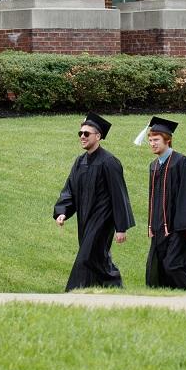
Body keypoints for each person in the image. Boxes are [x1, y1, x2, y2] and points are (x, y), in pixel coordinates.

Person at [53, 111, 135, 291]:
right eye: (80, 133)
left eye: (86, 134)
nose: (82, 136)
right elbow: (70, 189)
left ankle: (73, 293)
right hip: (85, 219)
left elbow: (119, 195)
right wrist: (63, 212)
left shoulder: (109, 162)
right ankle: (107, 290)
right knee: (96, 257)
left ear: (98, 136)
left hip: (103, 219)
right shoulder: (80, 162)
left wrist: (121, 227)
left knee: (86, 256)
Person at [144, 116, 186, 290]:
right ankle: (171, 299)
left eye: (156, 140)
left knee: (173, 264)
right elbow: (153, 198)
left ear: (167, 140)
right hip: (160, 225)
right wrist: (151, 226)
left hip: (179, 226)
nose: (152, 144)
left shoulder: (182, 162)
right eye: (150, 140)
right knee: (157, 266)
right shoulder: (154, 166)